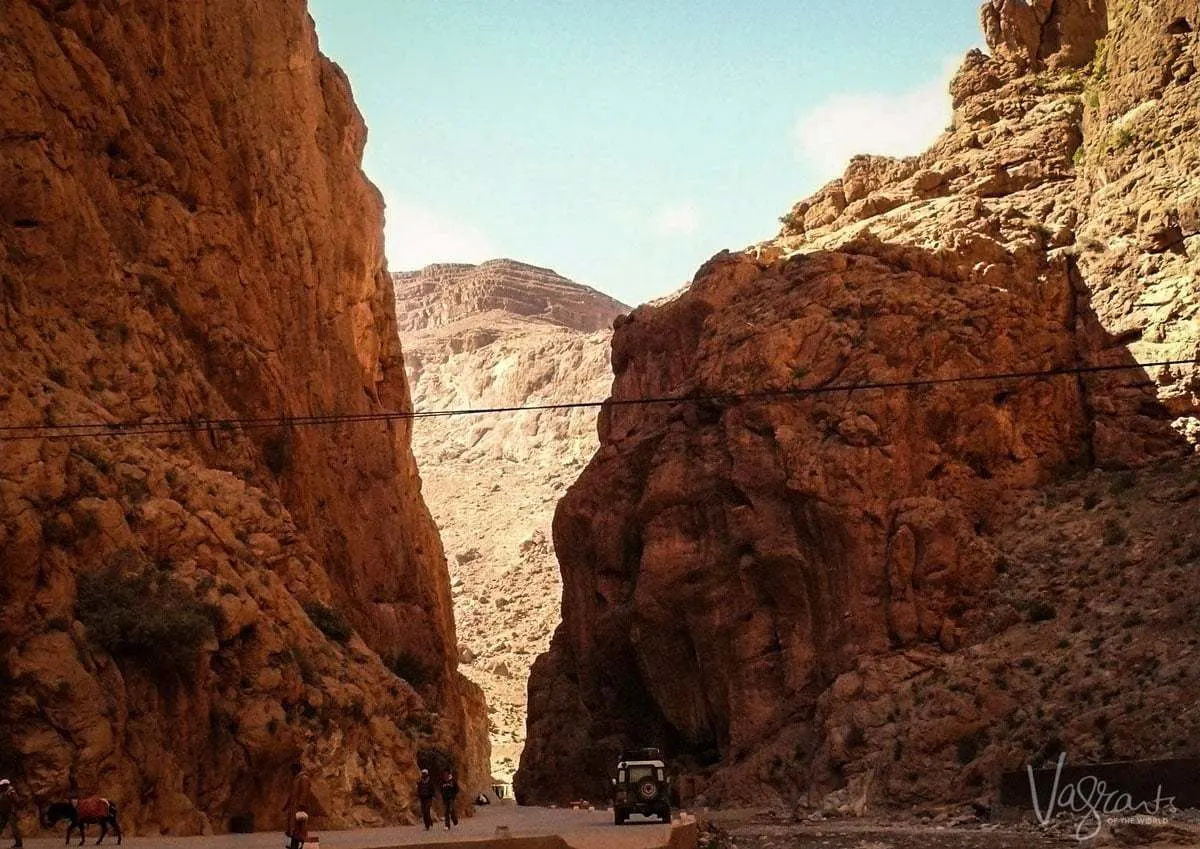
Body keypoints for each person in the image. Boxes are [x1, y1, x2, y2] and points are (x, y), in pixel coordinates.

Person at [283, 763, 311, 849]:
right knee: (293, 828)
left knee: (299, 827)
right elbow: (292, 794)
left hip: (299, 808)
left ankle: (302, 845)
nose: (291, 773)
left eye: (292, 771)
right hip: (294, 808)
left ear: (295, 770)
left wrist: (301, 805)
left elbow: (304, 792)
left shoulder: (303, 778)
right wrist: (286, 806)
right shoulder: (296, 779)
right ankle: (293, 845)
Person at [0, 780, 21, 848]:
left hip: (11, 812)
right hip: (4, 812)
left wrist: (14, 810)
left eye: (2, 785)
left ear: (6, 785)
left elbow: (17, 801)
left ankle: (19, 844)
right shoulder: (4, 792)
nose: (1, 786)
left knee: (14, 828)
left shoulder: (11, 792)